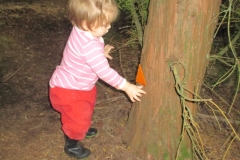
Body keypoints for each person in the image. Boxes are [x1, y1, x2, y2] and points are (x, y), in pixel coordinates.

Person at [49, 0, 146, 159]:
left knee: (86, 108)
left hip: (76, 84)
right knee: (76, 117)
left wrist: (100, 54)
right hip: (70, 90)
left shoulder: (80, 29)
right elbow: (104, 72)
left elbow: (88, 55)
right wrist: (126, 86)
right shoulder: (89, 47)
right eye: (104, 24)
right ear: (86, 24)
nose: (108, 27)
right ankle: (71, 144)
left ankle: (82, 126)